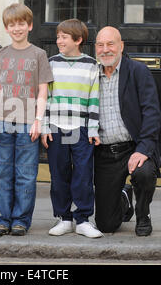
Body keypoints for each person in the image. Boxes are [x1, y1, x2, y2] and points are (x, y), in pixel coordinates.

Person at [0, 3, 54, 236]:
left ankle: (21, 220)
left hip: (28, 123)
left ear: (30, 25)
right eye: (12, 24)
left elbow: (43, 91)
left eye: (21, 24)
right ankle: (4, 217)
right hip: (2, 122)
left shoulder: (39, 54)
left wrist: (38, 120)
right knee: (2, 173)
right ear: (6, 28)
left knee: (26, 174)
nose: (17, 28)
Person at [93, 26, 161, 237]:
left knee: (144, 172)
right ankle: (124, 196)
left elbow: (152, 112)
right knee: (106, 225)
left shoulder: (138, 71)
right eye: (100, 45)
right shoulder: (91, 74)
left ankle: (143, 214)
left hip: (133, 147)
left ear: (121, 46)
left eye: (110, 44)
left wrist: (143, 150)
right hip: (104, 152)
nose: (105, 50)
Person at [41, 19, 102, 238]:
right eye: (58, 37)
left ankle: (83, 219)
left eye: (64, 37)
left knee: (83, 174)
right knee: (59, 174)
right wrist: (44, 126)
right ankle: (64, 218)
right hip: (57, 127)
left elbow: (94, 99)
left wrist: (93, 129)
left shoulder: (91, 65)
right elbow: (45, 98)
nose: (59, 41)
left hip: (81, 128)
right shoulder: (51, 63)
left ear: (78, 40)